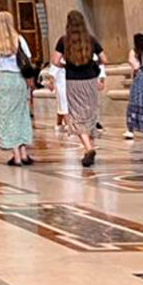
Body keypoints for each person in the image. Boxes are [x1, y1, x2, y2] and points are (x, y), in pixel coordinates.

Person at [52, 10, 107, 167]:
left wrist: (66, 65)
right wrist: (93, 64)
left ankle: (88, 148)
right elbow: (104, 58)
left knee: (76, 115)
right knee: (90, 112)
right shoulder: (91, 40)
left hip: (73, 80)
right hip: (90, 79)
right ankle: (90, 147)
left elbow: (55, 61)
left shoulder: (64, 41)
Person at [0, 12, 34, 166]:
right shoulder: (18, 39)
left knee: (7, 116)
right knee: (21, 113)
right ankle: (24, 153)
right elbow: (28, 59)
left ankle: (16, 155)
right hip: (18, 79)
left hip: (3, 79)